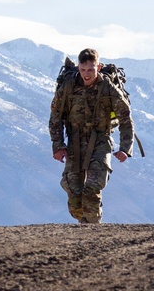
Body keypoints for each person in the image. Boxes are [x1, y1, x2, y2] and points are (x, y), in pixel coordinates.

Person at [49, 48, 134, 224]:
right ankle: (86, 225)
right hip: (75, 142)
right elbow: (55, 118)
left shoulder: (108, 89)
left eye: (91, 70)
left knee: (92, 189)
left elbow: (125, 119)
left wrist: (125, 148)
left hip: (100, 141)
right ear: (79, 67)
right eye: (83, 69)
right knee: (74, 195)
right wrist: (58, 146)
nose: (87, 74)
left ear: (99, 67)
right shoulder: (68, 87)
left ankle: (92, 235)